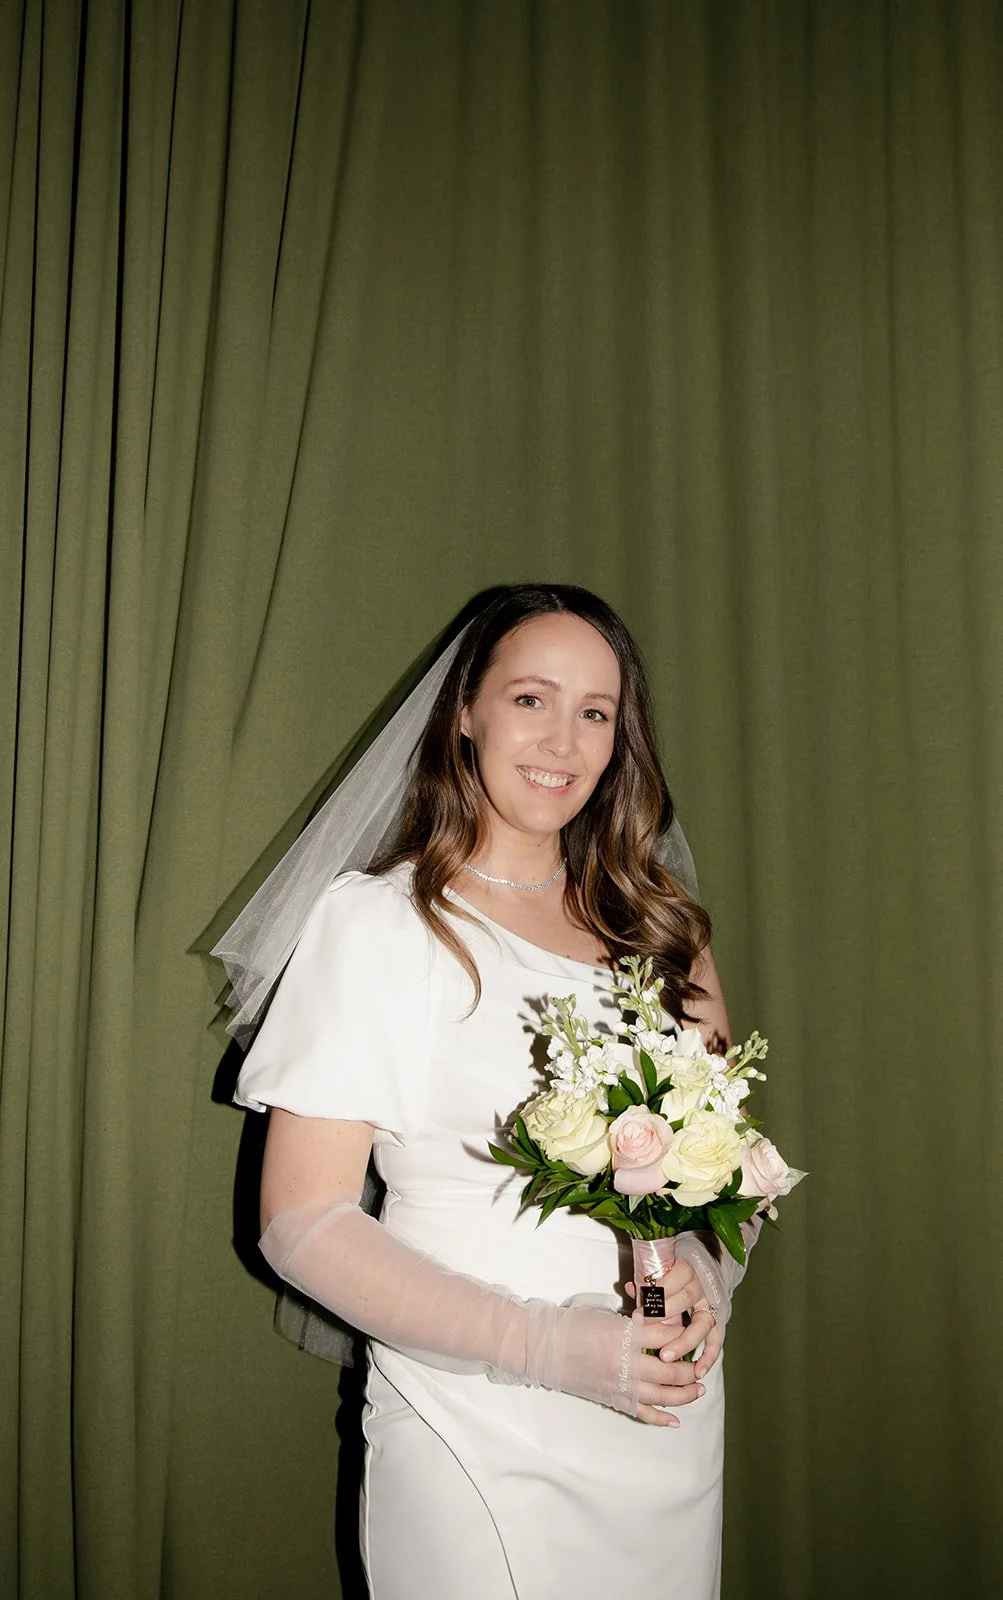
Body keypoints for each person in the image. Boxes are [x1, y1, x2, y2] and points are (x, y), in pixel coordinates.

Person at [225, 584, 759, 1599]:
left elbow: (729, 1176)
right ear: (465, 709)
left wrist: (702, 1275)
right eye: (531, 698)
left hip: (660, 1419)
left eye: (595, 711)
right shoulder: (379, 924)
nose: (564, 737)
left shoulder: (663, 930)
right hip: (469, 1411)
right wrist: (552, 1345)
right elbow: (300, 1221)